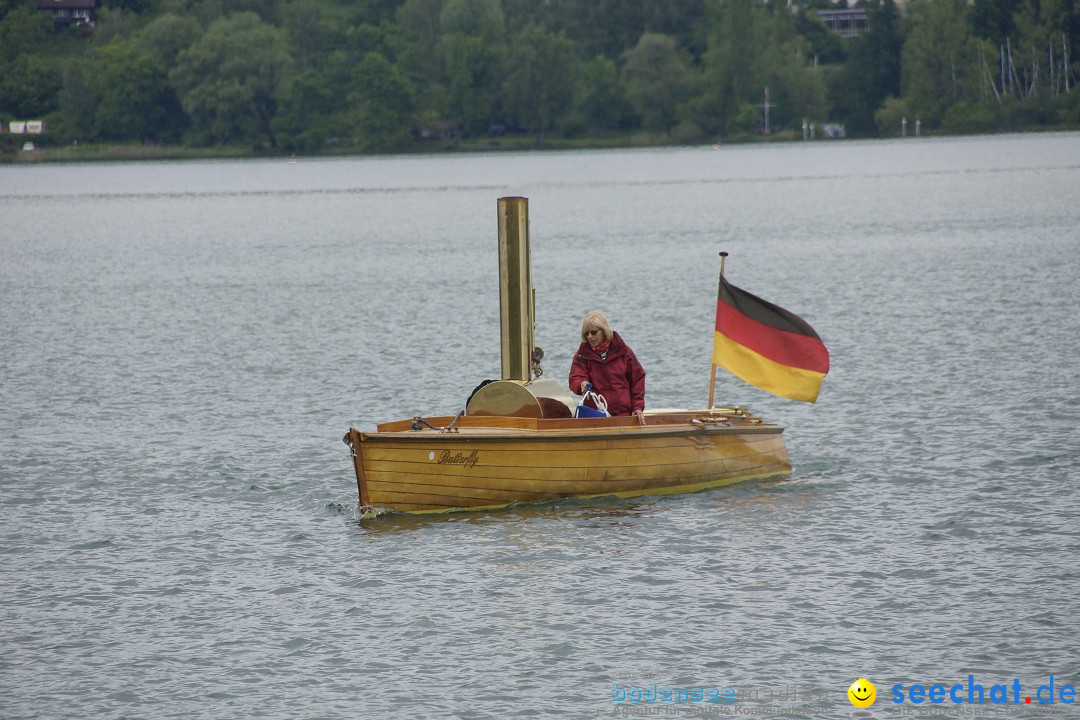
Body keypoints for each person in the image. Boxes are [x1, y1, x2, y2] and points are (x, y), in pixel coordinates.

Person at [568, 310, 647, 425]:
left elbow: (638, 379)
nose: (589, 336)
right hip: (596, 417)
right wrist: (582, 384)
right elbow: (576, 377)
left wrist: (638, 407)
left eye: (594, 332)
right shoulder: (582, 355)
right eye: (586, 333)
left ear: (604, 331)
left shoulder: (624, 352)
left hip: (624, 415)